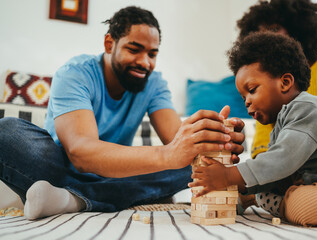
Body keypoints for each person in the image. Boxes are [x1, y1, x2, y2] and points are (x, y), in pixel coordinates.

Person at [0, 6, 245, 220]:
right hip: (62, 167)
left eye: (152, 54)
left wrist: (216, 139)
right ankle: (87, 196)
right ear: (109, 44)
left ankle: (69, 200)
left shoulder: (154, 83)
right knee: (7, 132)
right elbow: (80, 153)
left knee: (190, 166)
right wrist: (169, 154)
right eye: (134, 49)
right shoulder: (75, 73)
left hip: (120, 173)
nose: (144, 62)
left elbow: (177, 140)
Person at [189, 32, 317, 226]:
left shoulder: (308, 108)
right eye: (243, 96)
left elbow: (282, 160)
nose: (247, 101)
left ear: (285, 82)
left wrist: (229, 175)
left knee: (304, 205)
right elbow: (277, 171)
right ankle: (256, 196)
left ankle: (277, 202)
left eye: (252, 90)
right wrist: (236, 183)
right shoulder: (280, 127)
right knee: (271, 182)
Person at [236, 0, 317, 159]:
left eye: (274, 29)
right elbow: (263, 145)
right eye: (261, 34)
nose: (269, 37)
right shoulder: (267, 84)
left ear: (296, 28)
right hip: (294, 170)